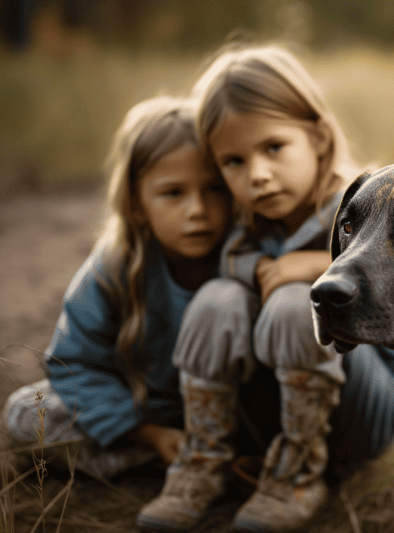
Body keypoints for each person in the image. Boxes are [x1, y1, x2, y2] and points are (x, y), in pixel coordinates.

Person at [136, 43, 394, 533]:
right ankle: (203, 462)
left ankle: (299, 474)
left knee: (292, 302)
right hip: (283, 404)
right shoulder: (249, 225)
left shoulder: (359, 208)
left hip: (367, 406)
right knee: (217, 297)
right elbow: (238, 265)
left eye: (273, 149)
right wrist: (261, 268)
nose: (257, 175)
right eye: (234, 163)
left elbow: (387, 277)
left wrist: (312, 265)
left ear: (320, 139)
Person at [1, 95, 232, 479]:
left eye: (214, 189)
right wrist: (147, 433)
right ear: (137, 204)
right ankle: (157, 458)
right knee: (25, 413)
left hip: (228, 411)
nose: (198, 209)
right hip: (141, 409)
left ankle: (211, 458)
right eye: (174, 193)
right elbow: (73, 364)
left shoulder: (246, 258)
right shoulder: (113, 268)